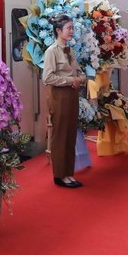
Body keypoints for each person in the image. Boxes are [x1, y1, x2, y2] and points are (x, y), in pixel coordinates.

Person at [42, 14, 86, 189]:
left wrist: (81, 78)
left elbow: (77, 71)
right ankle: (59, 175)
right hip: (59, 96)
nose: (71, 31)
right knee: (60, 135)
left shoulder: (70, 50)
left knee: (70, 135)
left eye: (72, 28)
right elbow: (48, 77)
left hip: (72, 95)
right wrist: (70, 81)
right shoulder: (52, 51)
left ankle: (69, 173)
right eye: (69, 28)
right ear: (58, 31)